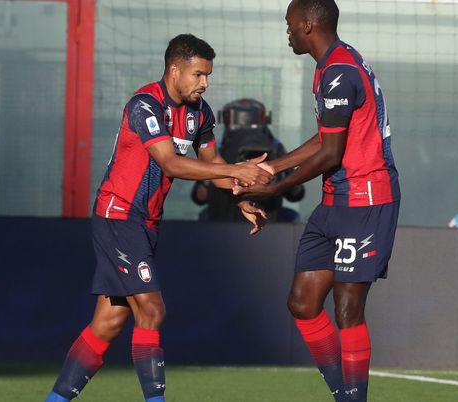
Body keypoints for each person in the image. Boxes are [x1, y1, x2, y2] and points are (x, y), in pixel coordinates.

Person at [43, 34, 272, 402]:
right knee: (152, 309)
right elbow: (170, 162)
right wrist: (239, 169)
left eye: (208, 75)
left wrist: (239, 196)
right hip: (118, 216)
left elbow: (212, 165)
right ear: (174, 69)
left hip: (146, 223)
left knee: (108, 322)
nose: (205, 83)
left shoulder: (201, 112)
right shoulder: (144, 105)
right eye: (198, 74)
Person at [234, 1, 400, 400]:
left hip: (366, 200)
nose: (287, 30)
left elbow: (331, 154)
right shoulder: (330, 65)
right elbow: (327, 138)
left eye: (289, 23)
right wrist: (274, 167)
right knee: (302, 303)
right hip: (335, 202)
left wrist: (273, 190)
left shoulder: (340, 71)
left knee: (347, 309)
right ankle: (344, 394)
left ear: (308, 23)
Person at [190, 98, 305, 222]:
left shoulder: (219, 148)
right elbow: (296, 193)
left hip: (224, 225)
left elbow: (199, 196)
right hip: (268, 223)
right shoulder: (275, 147)